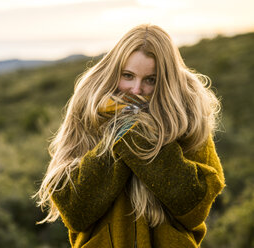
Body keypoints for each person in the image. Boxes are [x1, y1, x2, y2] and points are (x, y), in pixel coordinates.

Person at [34, 24, 225, 248]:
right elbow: (75, 211)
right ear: (115, 71)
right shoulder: (88, 109)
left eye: (150, 79)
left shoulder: (187, 114)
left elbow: (194, 207)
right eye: (128, 76)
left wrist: (138, 131)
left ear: (166, 80)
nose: (136, 89)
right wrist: (118, 133)